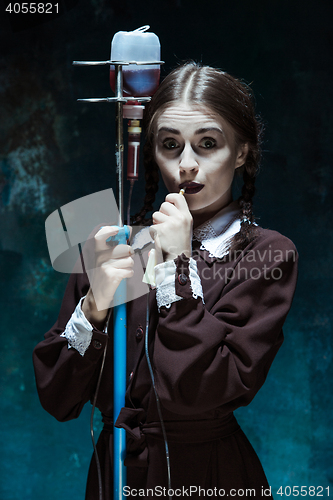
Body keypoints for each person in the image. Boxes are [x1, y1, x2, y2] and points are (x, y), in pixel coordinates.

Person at [33, 62, 298, 499]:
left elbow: (201, 390)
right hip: (115, 474)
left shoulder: (267, 254)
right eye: (170, 144)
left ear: (242, 152)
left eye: (208, 144)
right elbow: (58, 398)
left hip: (208, 478)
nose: (187, 165)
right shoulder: (112, 246)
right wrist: (94, 308)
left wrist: (177, 263)